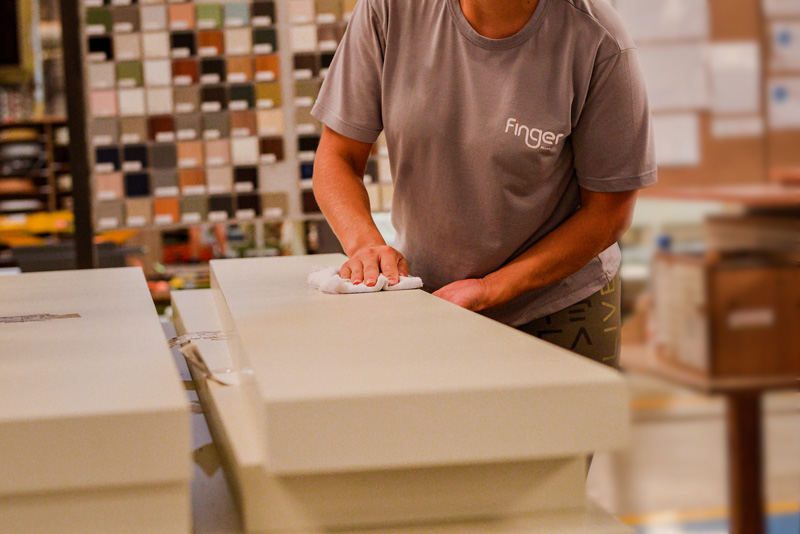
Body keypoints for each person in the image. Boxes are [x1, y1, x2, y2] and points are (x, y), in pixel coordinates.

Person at [310, 0, 656, 367]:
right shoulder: (388, 9)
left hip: (558, 305)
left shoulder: (600, 41)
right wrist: (365, 245)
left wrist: (491, 288)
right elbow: (337, 158)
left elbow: (608, 212)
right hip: (430, 300)